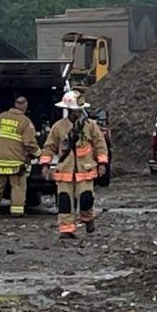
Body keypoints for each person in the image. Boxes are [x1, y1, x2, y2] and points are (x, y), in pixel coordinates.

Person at [38, 91, 110, 239]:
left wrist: (102, 163)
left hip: (86, 170)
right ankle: (66, 229)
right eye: (74, 110)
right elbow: (49, 147)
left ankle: (88, 218)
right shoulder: (59, 127)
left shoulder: (90, 126)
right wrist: (45, 165)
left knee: (86, 199)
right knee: (64, 201)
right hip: (65, 171)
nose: (76, 112)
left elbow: (100, 145)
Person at [0, 95, 38, 217]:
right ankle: (17, 212)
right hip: (15, 163)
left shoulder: (2, 117)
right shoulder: (25, 122)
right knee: (17, 186)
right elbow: (29, 143)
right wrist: (38, 154)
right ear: (25, 107)